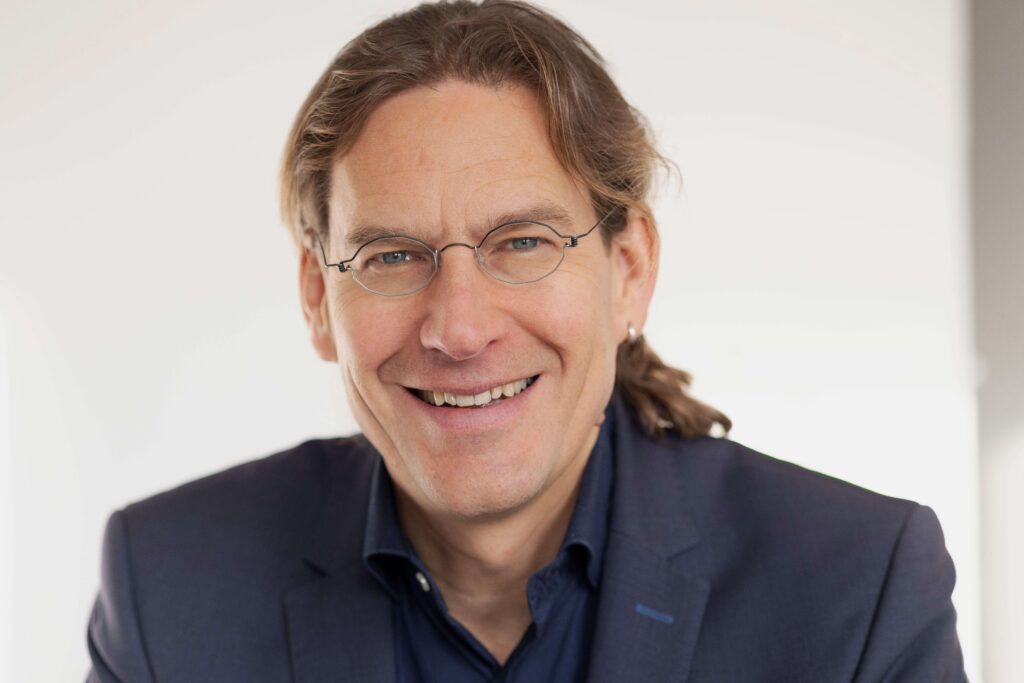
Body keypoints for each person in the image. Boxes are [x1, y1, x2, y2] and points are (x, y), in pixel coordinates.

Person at [86, 1, 966, 681]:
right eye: (392, 255)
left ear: (629, 269)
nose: (460, 328)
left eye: (522, 243)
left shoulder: (859, 589)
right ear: (318, 297)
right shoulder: (166, 588)